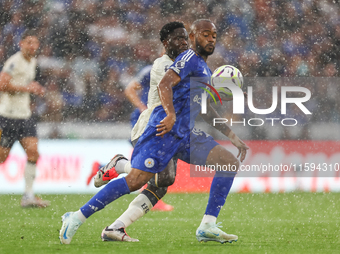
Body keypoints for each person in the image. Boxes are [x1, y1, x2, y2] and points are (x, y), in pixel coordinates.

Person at [59, 19, 248, 244]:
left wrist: (233, 137)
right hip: (163, 131)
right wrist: (170, 114)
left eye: (214, 35)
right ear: (193, 36)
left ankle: (207, 225)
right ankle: (77, 216)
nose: (210, 39)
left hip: (185, 134)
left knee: (225, 164)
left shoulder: (203, 68)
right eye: (205, 34)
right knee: (136, 180)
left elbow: (204, 109)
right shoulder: (184, 60)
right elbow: (164, 84)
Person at [86, 64, 173, 211]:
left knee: (149, 158)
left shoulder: (175, 70)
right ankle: (151, 197)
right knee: (149, 159)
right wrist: (141, 107)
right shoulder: (151, 70)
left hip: (158, 119)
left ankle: (101, 167)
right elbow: (130, 89)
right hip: (145, 119)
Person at [0, 29, 49, 208]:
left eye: (35, 43)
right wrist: (28, 89)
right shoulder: (14, 62)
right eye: (28, 42)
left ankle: (28, 196)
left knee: (33, 153)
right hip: (7, 116)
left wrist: (35, 88)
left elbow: (23, 85)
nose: (32, 46)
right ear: (21, 44)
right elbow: (2, 85)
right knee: (2, 158)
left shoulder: (33, 61)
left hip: (24, 117)